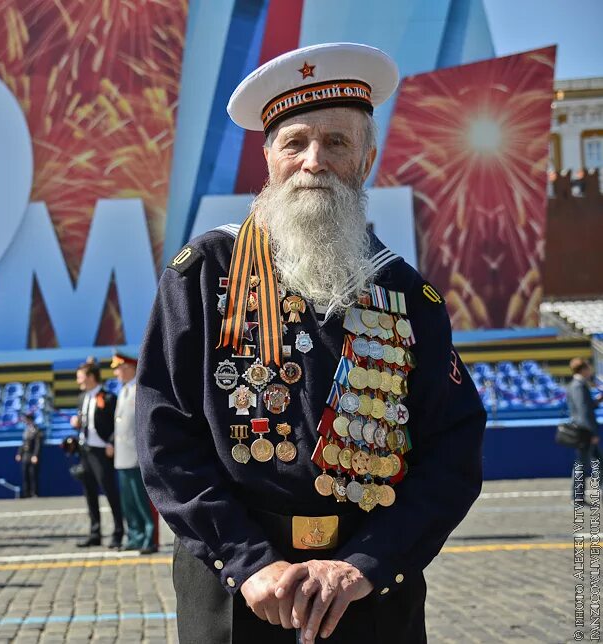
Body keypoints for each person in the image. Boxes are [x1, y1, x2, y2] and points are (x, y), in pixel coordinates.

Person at [136, 43, 487, 643]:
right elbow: (164, 435)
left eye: (337, 143)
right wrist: (250, 563)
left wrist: (366, 565)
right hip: (236, 592)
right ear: (268, 156)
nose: (314, 161)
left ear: (368, 158)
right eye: (295, 142)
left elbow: (453, 452)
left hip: (367, 595)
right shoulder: (203, 274)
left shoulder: (406, 294)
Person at [70, 359, 124, 549]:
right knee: (89, 493)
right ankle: (95, 532)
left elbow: (118, 424)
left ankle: (118, 532)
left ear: (91, 377)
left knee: (110, 493)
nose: (79, 381)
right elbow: (85, 420)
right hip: (85, 450)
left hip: (102, 452)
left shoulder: (109, 398)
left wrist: (111, 443)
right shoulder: (82, 398)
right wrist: (77, 422)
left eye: (81, 377)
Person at [111, 351, 156, 554]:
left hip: (137, 456)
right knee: (128, 501)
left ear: (129, 368)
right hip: (123, 456)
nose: (116, 373)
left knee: (141, 500)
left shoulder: (141, 389)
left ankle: (149, 538)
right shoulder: (123, 391)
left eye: (118, 368)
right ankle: (135, 535)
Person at [567, 357, 601, 502]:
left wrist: (598, 399)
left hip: (584, 430)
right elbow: (583, 411)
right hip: (584, 432)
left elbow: (586, 406)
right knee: (582, 464)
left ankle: (578, 495)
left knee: (597, 461)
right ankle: (577, 496)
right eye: (588, 367)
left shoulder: (578, 385)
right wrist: (591, 433)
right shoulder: (578, 386)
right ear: (583, 369)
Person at [16, 414, 43, 498]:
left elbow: (38, 444)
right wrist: (19, 453)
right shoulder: (26, 430)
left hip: (32, 454)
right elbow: (23, 443)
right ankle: (26, 493)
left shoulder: (37, 430)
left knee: (33, 475)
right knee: (25, 475)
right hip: (26, 455)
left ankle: (34, 493)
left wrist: (35, 455)